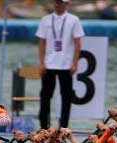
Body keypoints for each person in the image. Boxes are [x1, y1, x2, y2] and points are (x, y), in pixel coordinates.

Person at [36, 0, 85, 129]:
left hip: (66, 64)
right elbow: (42, 42)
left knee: (66, 96)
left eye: (61, 3)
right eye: (57, 2)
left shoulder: (74, 20)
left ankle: (63, 127)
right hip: (49, 64)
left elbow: (77, 43)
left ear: (67, 4)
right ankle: (44, 126)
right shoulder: (46, 20)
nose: (58, 5)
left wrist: (75, 63)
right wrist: (41, 63)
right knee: (45, 96)